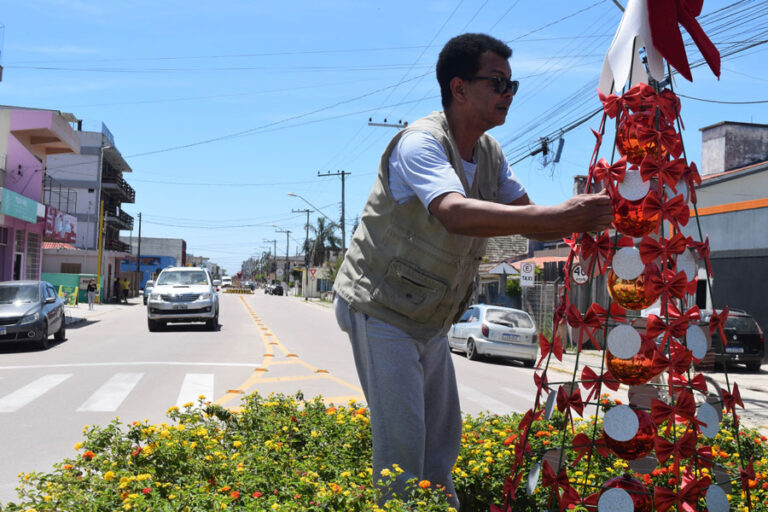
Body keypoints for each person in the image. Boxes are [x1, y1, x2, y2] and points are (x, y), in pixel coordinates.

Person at [332, 33, 613, 509]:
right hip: (379, 307)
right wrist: (561, 217)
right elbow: (455, 212)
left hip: (431, 318)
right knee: (402, 446)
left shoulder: (490, 154)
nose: (507, 93)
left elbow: (526, 210)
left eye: (512, 84)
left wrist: (585, 233)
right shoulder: (419, 144)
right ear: (458, 88)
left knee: (441, 441)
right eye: (497, 82)